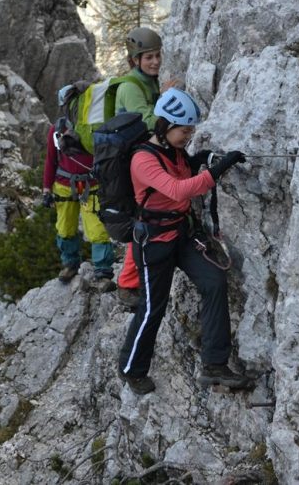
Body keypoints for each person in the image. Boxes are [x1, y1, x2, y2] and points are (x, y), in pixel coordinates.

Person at [117, 88, 248, 395]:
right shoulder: (142, 159)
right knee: (153, 308)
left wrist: (202, 159)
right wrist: (218, 169)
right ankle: (131, 368)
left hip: (182, 235)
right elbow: (177, 190)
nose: (188, 136)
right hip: (154, 244)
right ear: (164, 126)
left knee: (214, 281)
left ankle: (214, 365)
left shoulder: (173, 151)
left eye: (191, 131)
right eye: (184, 130)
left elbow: (184, 171)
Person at [114, 27, 176, 308]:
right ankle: (128, 285)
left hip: (144, 159)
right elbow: (149, 122)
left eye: (157, 55)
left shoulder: (148, 81)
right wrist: (166, 98)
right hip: (132, 165)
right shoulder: (130, 87)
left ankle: (142, 274)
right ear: (135, 60)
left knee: (152, 217)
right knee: (143, 219)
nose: (155, 62)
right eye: (148, 57)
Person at [42, 84, 115, 293]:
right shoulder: (57, 130)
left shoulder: (92, 128)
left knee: (96, 228)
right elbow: (50, 160)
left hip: (87, 183)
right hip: (67, 185)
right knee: (65, 227)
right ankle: (70, 263)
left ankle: (102, 270)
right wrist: (46, 189)